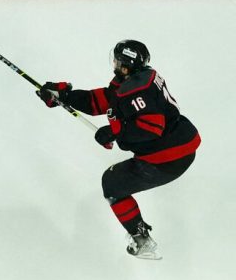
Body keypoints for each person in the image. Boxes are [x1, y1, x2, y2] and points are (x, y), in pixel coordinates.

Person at [36, 40, 200, 260]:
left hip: (169, 157)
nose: (113, 63)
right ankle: (141, 237)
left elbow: (152, 128)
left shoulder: (137, 89)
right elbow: (103, 100)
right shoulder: (135, 78)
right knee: (114, 181)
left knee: (113, 184)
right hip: (180, 143)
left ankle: (142, 242)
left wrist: (116, 132)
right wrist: (65, 97)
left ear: (125, 65)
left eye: (117, 60)